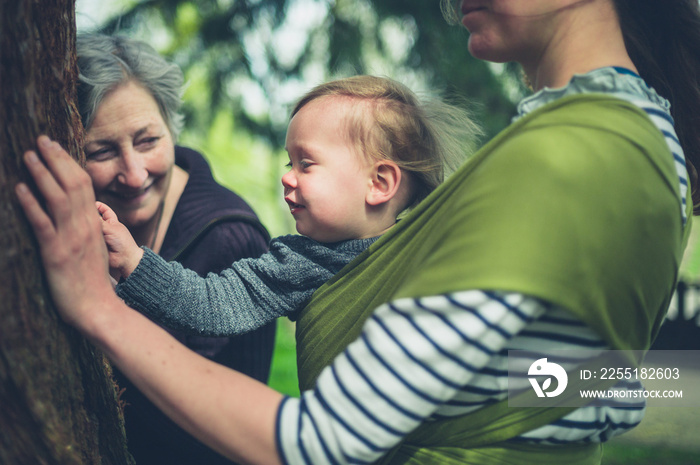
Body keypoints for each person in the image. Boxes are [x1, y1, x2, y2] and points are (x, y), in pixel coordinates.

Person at [15, 1, 700, 464]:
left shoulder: (566, 155)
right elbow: (606, 380)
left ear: (383, 182)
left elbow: (320, 443)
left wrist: (99, 308)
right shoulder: (653, 146)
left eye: (306, 162)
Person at [97, 75, 479, 339]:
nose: (287, 177)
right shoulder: (300, 263)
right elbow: (210, 304)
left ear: (378, 184)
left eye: (306, 164)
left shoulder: (439, 252)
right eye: (288, 163)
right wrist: (135, 261)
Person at [74, 33, 275, 465]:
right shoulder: (75, 223)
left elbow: (231, 442)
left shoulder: (232, 241)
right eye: (102, 151)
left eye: (147, 141)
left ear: (171, 128)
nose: (133, 174)